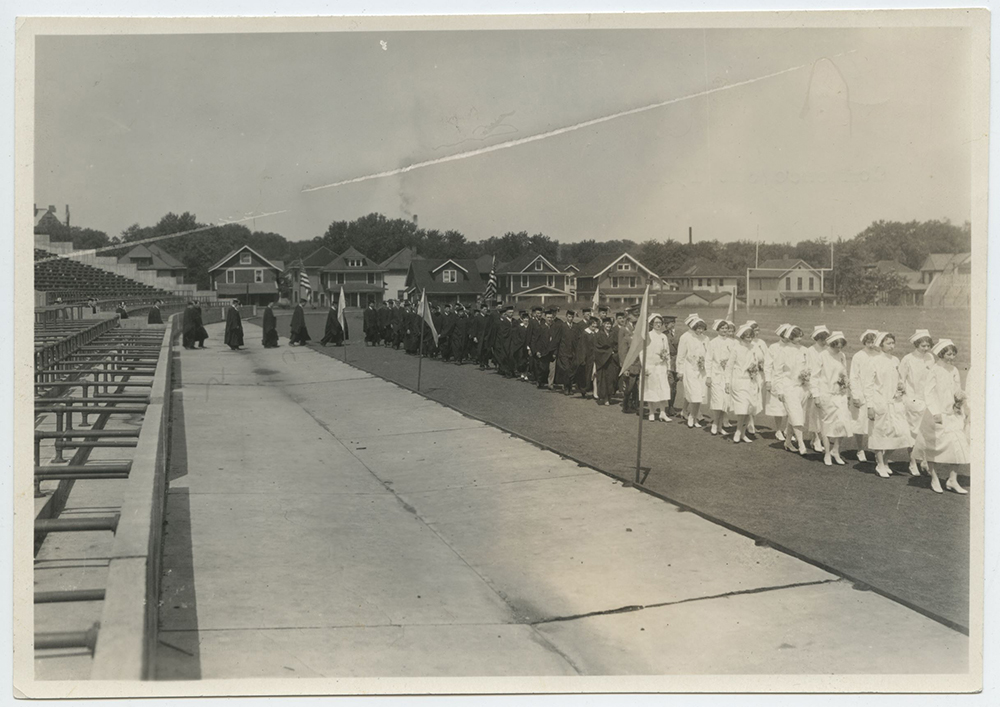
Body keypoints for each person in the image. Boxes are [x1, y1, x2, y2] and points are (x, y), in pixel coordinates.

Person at [912, 339, 969, 494]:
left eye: (953, 354)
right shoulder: (934, 370)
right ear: (941, 354)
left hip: (952, 414)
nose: (951, 357)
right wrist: (936, 412)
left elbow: (957, 389)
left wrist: (959, 403)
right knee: (933, 447)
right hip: (935, 415)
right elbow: (928, 393)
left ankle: (952, 480)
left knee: (958, 445)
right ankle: (934, 478)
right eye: (948, 354)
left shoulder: (954, 370)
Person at [865, 332, 914, 478]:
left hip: (895, 402)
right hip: (880, 402)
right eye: (888, 343)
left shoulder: (895, 360)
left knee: (902, 432)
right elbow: (868, 385)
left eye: (893, 343)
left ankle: (885, 460)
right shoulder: (874, 361)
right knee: (880, 433)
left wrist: (900, 387)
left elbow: (899, 380)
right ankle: (880, 464)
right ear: (881, 345)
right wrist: (870, 406)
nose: (892, 346)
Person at [810, 330, 851, 466]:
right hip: (826, 394)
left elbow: (844, 373)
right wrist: (816, 395)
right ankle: (827, 453)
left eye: (841, 346)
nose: (838, 349)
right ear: (831, 344)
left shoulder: (842, 356)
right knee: (827, 425)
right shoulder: (822, 356)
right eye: (836, 346)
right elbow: (814, 377)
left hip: (840, 395)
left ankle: (836, 450)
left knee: (844, 423)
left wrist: (846, 390)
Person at [898, 329, 935, 476]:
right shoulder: (908, 359)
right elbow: (901, 378)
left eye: (927, 346)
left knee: (926, 432)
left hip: (927, 400)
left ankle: (924, 460)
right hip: (912, 400)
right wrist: (904, 394)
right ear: (916, 344)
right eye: (923, 346)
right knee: (913, 432)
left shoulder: (930, 358)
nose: (925, 349)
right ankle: (913, 462)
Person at [726, 323, 764, 443]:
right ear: (742, 336)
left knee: (750, 408)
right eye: (747, 336)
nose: (749, 338)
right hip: (739, 382)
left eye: (751, 336)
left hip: (752, 382)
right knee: (742, 407)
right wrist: (727, 382)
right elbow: (729, 367)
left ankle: (742, 433)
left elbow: (761, 360)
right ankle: (738, 431)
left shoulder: (754, 347)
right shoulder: (736, 349)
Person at [777, 325, 810, 455]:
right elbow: (778, 372)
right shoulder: (783, 351)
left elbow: (808, 367)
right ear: (790, 337)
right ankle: (801, 444)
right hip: (788, 387)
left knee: (795, 415)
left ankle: (788, 442)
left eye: (801, 336)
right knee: (796, 416)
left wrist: (807, 381)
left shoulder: (804, 350)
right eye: (797, 336)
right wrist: (779, 390)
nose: (800, 339)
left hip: (802, 387)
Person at [848, 329, 880, 461]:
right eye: (868, 342)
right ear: (864, 342)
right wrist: (855, 394)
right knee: (860, 423)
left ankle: (878, 451)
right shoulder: (858, 356)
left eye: (873, 342)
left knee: (877, 423)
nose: (871, 345)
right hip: (861, 392)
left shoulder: (879, 355)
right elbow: (854, 377)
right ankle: (860, 449)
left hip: (876, 393)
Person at [677, 316, 709, 428]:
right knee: (694, 394)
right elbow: (680, 355)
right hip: (689, 368)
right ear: (693, 327)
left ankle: (694, 416)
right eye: (698, 328)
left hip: (702, 370)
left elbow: (708, 354)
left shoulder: (705, 338)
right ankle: (691, 416)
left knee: (700, 395)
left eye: (702, 328)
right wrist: (680, 371)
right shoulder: (685, 337)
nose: (700, 331)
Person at [706, 319, 734, 435]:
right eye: (722, 328)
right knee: (717, 401)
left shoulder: (732, 342)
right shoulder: (713, 343)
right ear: (717, 329)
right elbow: (708, 360)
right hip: (716, 375)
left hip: (728, 377)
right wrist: (708, 376)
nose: (724, 330)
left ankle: (720, 425)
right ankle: (715, 424)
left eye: (726, 328)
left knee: (725, 402)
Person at [805, 325, 830, 452]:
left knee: (824, 414)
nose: (824, 341)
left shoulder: (828, 350)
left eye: (825, 338)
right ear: (816, 338)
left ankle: (821, 436)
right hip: (814, 384)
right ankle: (815, 438)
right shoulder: (810, 350)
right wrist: (810, 388)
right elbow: (809, 368)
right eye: (821, 338)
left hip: (825, 385)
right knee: (814, 413)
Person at [642, 314, 672, 421]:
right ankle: (651, 412)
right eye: (656, 323)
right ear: (652, 324)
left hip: (662, 367)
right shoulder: (648, 336)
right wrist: (644, 366)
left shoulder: (664, 337)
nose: (658, 325)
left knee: (663, 389)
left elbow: (667, 352)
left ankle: (662, 412)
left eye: (660, 323)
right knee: (651, 389)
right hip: (651, 367)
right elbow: (643, 352)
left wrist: (668, 367)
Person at [763, 323, 790, 441]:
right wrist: (768, 380)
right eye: (784, 334)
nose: (787, 337)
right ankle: (778, 430)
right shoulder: (773, 347)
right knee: (778, 407)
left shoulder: (795, 347)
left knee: (792, 407)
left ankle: (788, 431)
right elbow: (767, 365)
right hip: (777, 379)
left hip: (790, 381)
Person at [618, 308, 641, 413]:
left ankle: (635, 404)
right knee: (629, 387)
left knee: (636, 387)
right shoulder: (625, 333)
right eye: (635, 325)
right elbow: (622, 352)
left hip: (638, 364)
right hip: (630, 365)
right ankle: (625, 404)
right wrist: (624, 367)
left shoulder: (640, 334)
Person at [594, 317, 619, 405]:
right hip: (603, 361)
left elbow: (616, 345)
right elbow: (597, 348)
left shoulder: (613, 333)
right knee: (603, 379)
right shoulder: (599, 334)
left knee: (611, 379)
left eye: (610, 324)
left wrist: (614, 352)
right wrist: (609, 352)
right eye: (607, 324)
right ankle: (605, 398)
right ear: (603, 325)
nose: (608, 326)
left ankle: (609, 396)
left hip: (611, 360)